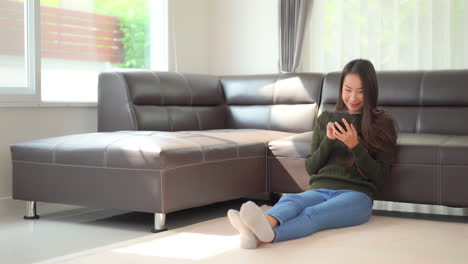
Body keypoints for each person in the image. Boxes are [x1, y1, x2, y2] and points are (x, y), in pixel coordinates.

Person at [227, 59, 398, 249]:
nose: (353, 98)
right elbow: (311, 167)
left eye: (361, 91)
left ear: (371, 92)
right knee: (292, 200)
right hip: (320, 189)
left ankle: (261, 234)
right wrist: (328, 141)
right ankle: (261, 226)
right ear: (341, 88)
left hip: (357, 196)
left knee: (314, 213)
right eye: (348, 89)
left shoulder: (383, 124)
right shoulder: (326, 119)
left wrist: (355, 146)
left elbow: (380, 177)